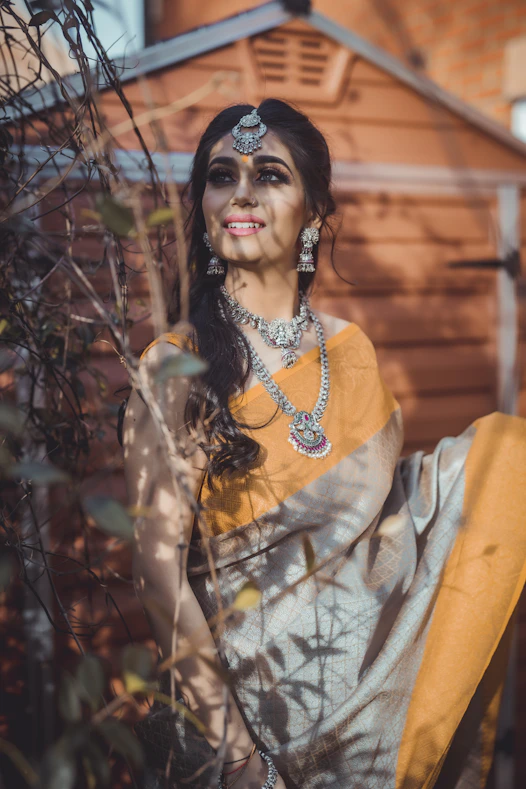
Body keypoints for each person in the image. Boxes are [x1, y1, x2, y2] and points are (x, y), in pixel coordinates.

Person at [121, 99, 526, 789]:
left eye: (270, 174)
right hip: (252, 716)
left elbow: (384, 515)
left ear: (313, 212)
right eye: (222, 176)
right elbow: (157, 574)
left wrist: (487, 474)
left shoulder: (349, 349)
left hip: (372, 686)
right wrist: (240, 755)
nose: (241, 191)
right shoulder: (176, 364)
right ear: (204, 206)